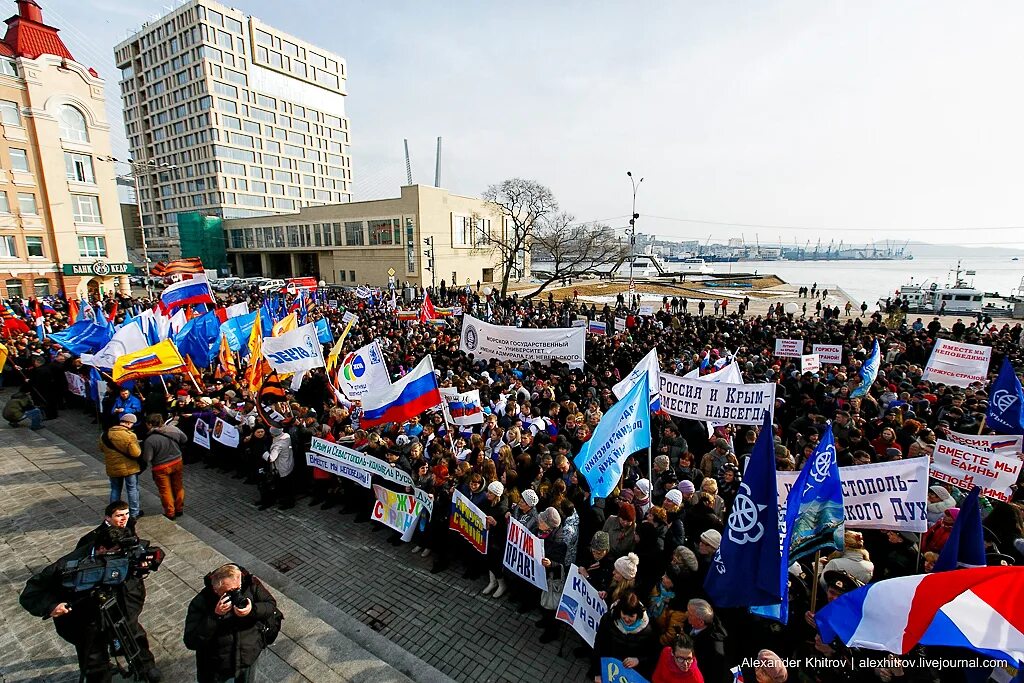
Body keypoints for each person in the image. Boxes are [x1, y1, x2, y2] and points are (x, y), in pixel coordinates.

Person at [20, 523, 161, 682]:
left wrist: (148, 562)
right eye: (116, 554)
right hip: (88, 620)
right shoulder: (67, 565)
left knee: (135, 638)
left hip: (123, 610)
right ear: (102, 549)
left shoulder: (128, 548)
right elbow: (32, 591)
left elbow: (154, 553)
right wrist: (51, 606)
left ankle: (146, 667)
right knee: (94, 660)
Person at [183, 563, 281, 683]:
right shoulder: (201, 602)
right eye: (230, 591)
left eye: (238, 589)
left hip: (248, 658)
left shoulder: (250, 585)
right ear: (216, 590)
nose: (237, 595)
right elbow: (191, 641)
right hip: (219, 667)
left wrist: (252, 610)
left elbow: (270, 605)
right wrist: (215, 616)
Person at [142, 413, 188, 520]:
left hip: (161, 467)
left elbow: (147, 458)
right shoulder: (173, 429)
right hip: (177, 461)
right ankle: (179, 509)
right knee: (178, 486)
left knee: (165, 490)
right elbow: (184, 439)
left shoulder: (150, 440)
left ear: (149, 424)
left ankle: (170, 513)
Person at [100, 413, 144, 519]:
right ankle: (134, 513)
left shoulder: (105, 434)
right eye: (132, 424)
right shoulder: (130, 435)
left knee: (115, 489)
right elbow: (136, 453)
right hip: (129, 468)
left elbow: (101, 449)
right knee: (132, 489)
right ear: (129, 423)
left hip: (113, 467)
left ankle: (113, 512)